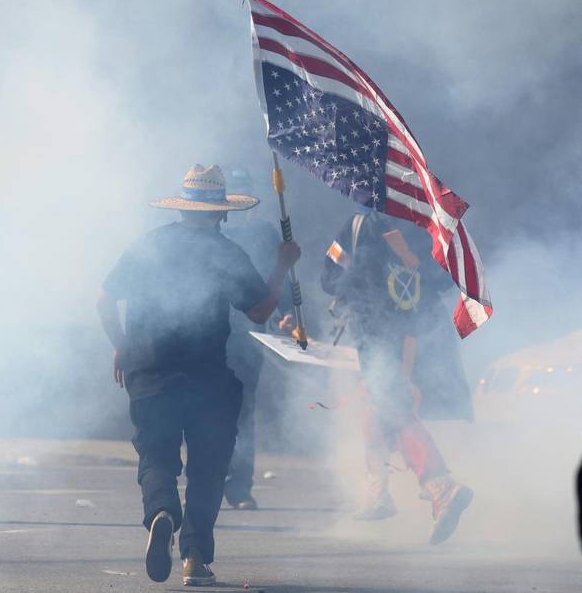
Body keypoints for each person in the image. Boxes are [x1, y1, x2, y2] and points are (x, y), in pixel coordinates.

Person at [97, 164, 300, 586]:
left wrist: (122, 345)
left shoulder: (148, 244)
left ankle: (162, 513)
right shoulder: (226, 252)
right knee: (208, 469)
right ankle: (194, 557)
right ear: (221, 212)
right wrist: (283, 265)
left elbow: (103, 298)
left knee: (156, 457)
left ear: (182, 207)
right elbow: (260, 311)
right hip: (207, 378)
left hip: (149, 372)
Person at [321, 207, 473, 545]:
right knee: (377, 404)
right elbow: (444, 280)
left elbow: (330, 279)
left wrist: (396, 263)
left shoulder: (367, 224)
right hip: (409, 334)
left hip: (388, 335)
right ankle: (378, 491)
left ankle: (439, 484)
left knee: (390, 406)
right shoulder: (421, 222)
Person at [221, 169, 290, 510]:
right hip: (209, 333)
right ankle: (208, 477)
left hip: (249, 332)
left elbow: (277, 278)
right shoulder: (213, 233)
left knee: (243, 410)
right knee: (204, 408)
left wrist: (287, 311)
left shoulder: (264, 234)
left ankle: (240, 486)